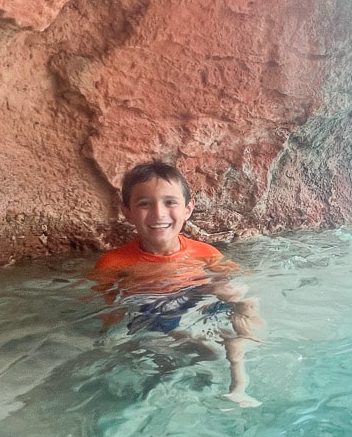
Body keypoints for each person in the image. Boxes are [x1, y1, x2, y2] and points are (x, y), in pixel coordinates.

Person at [93, 160, 262, 406]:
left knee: (242, 311)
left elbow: (241, 284)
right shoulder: (113, 263)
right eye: (144, 204)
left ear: (187, 209)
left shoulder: (206, 254)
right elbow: (106, 314)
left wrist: (228, 292)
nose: (159, 213)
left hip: (197, 306)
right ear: (126, 211)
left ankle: (239, 384)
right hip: (150, 314)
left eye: (170, 202)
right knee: (129, 344)